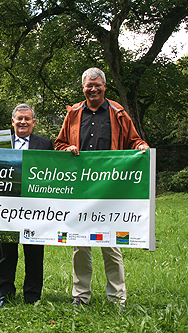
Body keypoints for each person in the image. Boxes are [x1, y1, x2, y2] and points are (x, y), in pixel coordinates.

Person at [55, 67, 149, 308]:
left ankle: (117, 298)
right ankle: (80, 296)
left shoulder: (118, 112)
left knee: (111, 243)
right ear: (83, 88)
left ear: (105, 86)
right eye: (89, 85)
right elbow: (59, 144)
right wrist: (67, 149)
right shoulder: (74, 113)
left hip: (110, 189)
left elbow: (135, 140)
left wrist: (142, 148)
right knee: (80, 245)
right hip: (80, 190)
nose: (93, 89)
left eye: (97, 85)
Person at [0, 104, 53, 307]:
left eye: (27, 119)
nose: (23, 122)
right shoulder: (0, 143)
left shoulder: (46, 144)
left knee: (34, 253)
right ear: (12, 122)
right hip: (7, 208)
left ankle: (32, 295)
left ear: (33, 122)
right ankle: (6, 293)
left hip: (35, 208)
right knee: (6, 253)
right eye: (19, 118)